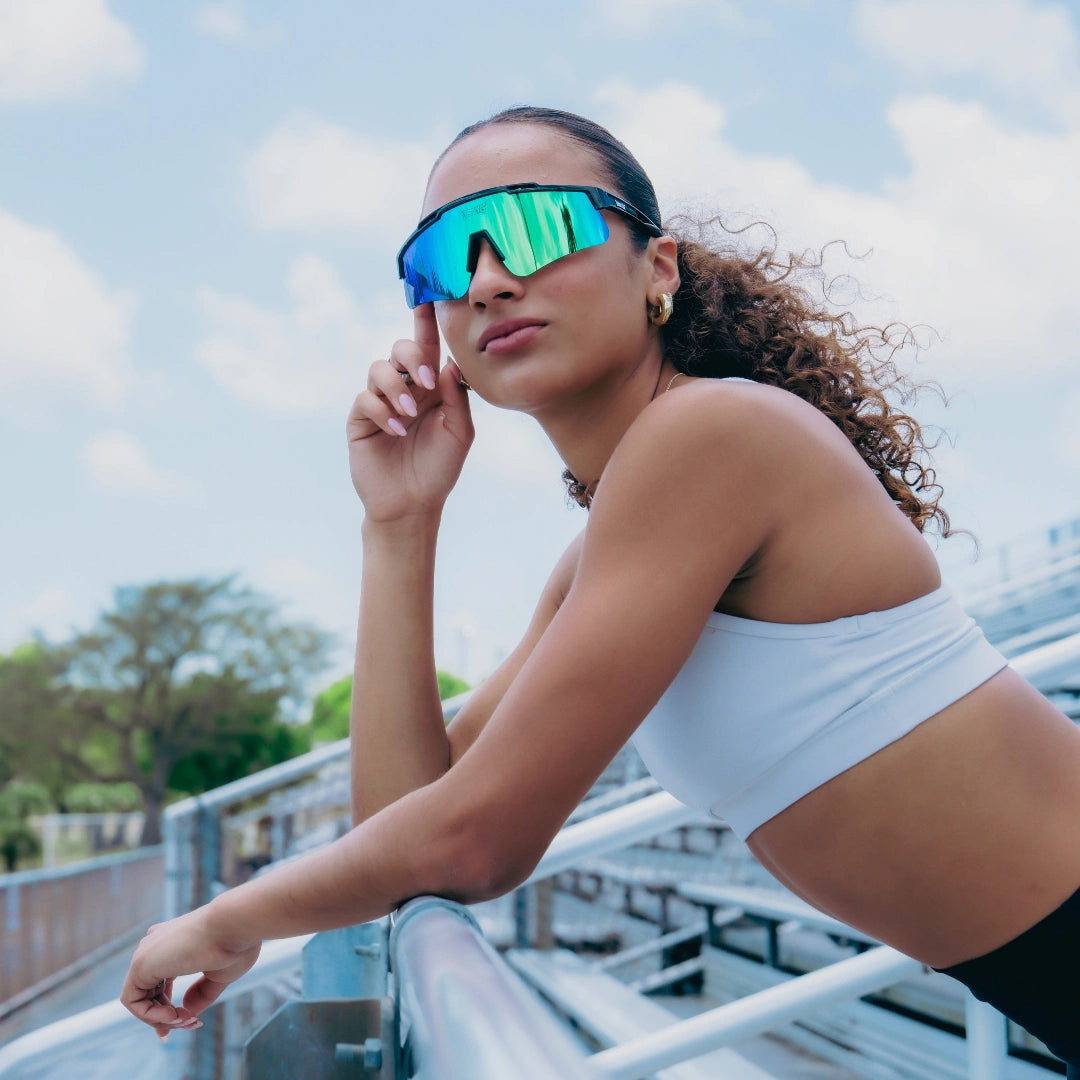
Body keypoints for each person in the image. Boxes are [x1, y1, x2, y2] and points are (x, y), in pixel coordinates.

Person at [120, 106, 1080, 1071]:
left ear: (657, 267)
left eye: (538, 227)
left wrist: (231, 917)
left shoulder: (712, 437)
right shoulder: (603, 550)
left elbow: (474, 843)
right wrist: (399, 528)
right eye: (448, 255)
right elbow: (409, 817)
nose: (491, 278)